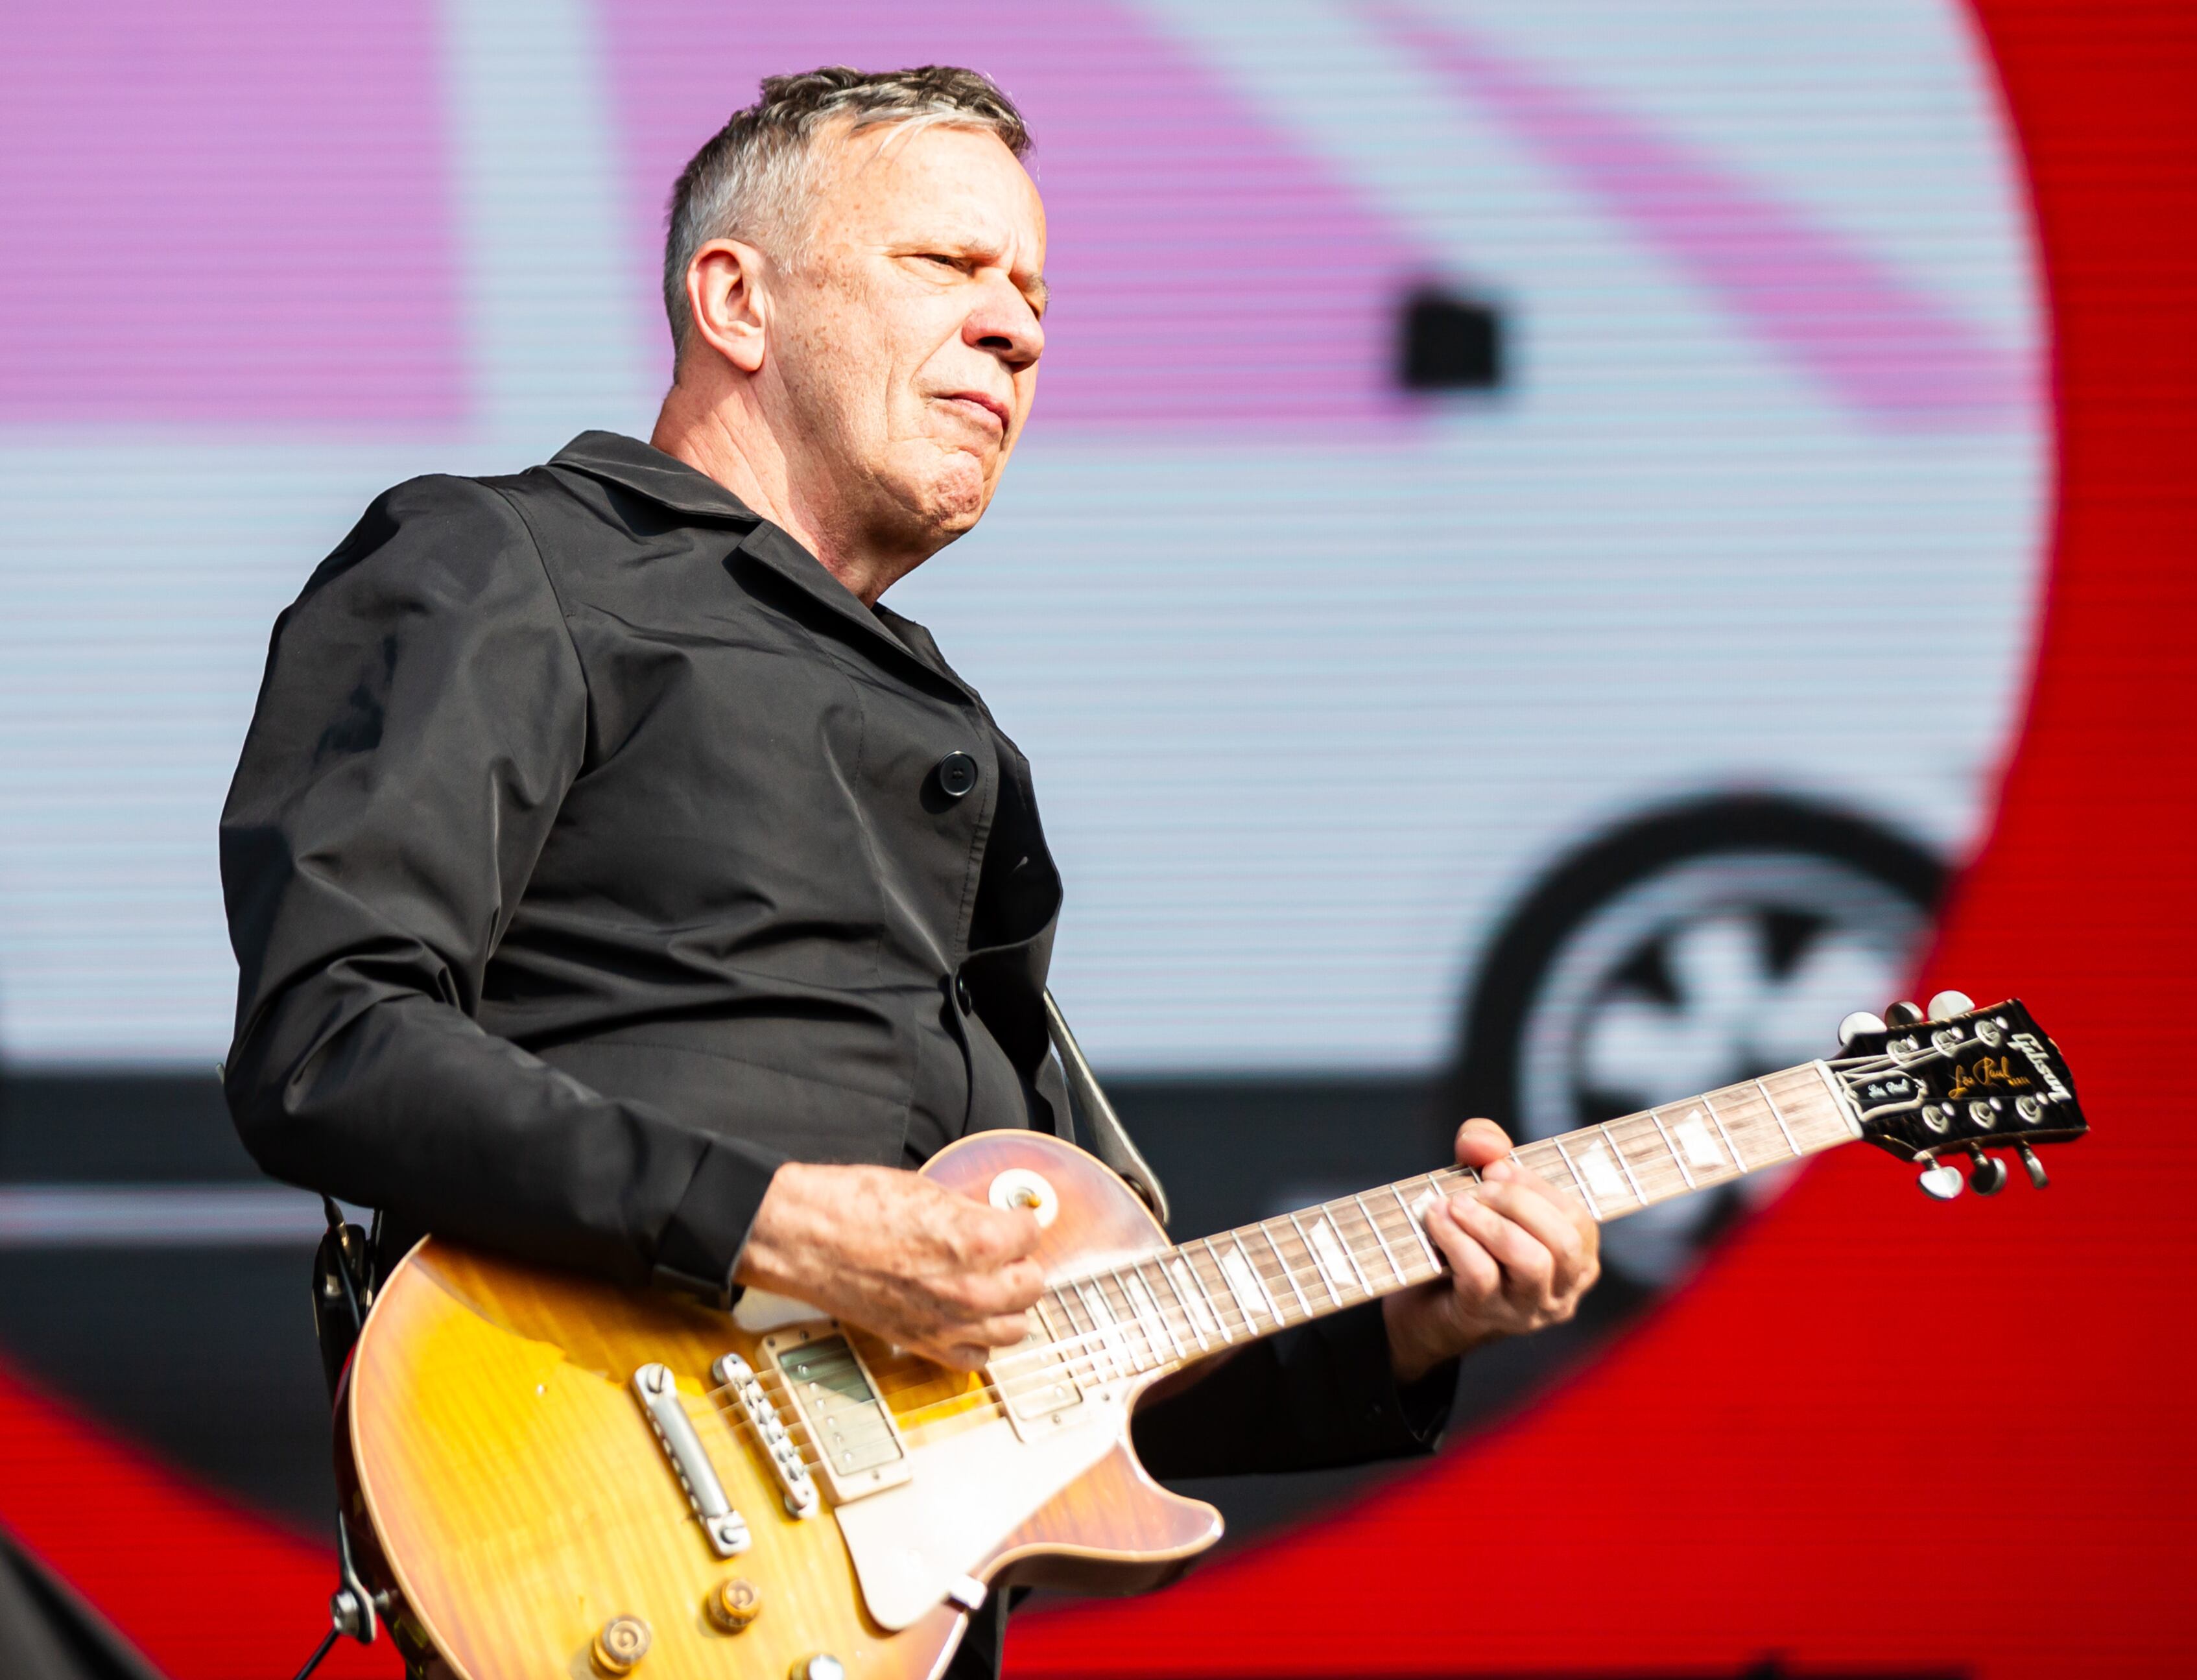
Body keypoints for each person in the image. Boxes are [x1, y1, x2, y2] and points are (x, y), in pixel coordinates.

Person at [220, 66, 1597, 1678]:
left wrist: (1415, 1320)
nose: (1015, 330)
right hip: (592, 1518)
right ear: (735, 298)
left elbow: (1081, 1336)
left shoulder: (946, 726)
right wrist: (774, 1228)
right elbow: (333, 1040)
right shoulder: (508, 563)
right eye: (947, 268)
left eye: (1032, 294)